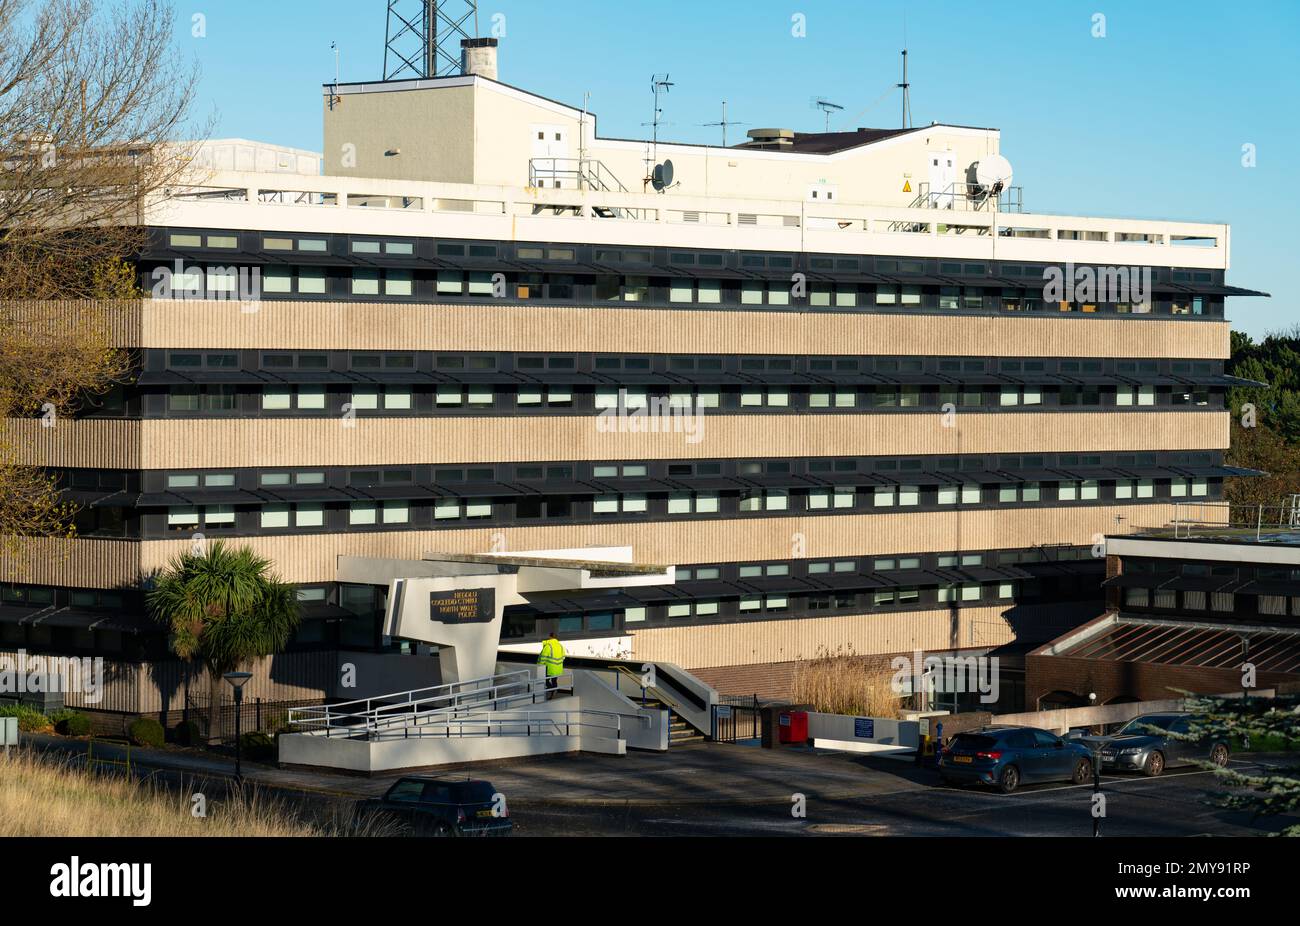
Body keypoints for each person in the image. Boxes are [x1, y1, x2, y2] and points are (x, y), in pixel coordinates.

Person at [537, 632, 565, 699]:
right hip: (558, 668)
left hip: (549, 668)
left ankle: (553, 690)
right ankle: (553, 693)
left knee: (546, 681)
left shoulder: (548, 646)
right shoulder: (560, 645)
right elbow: (563, 657)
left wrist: (539, 665)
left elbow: (543, 657)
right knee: (554, 681)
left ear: (550, 637)